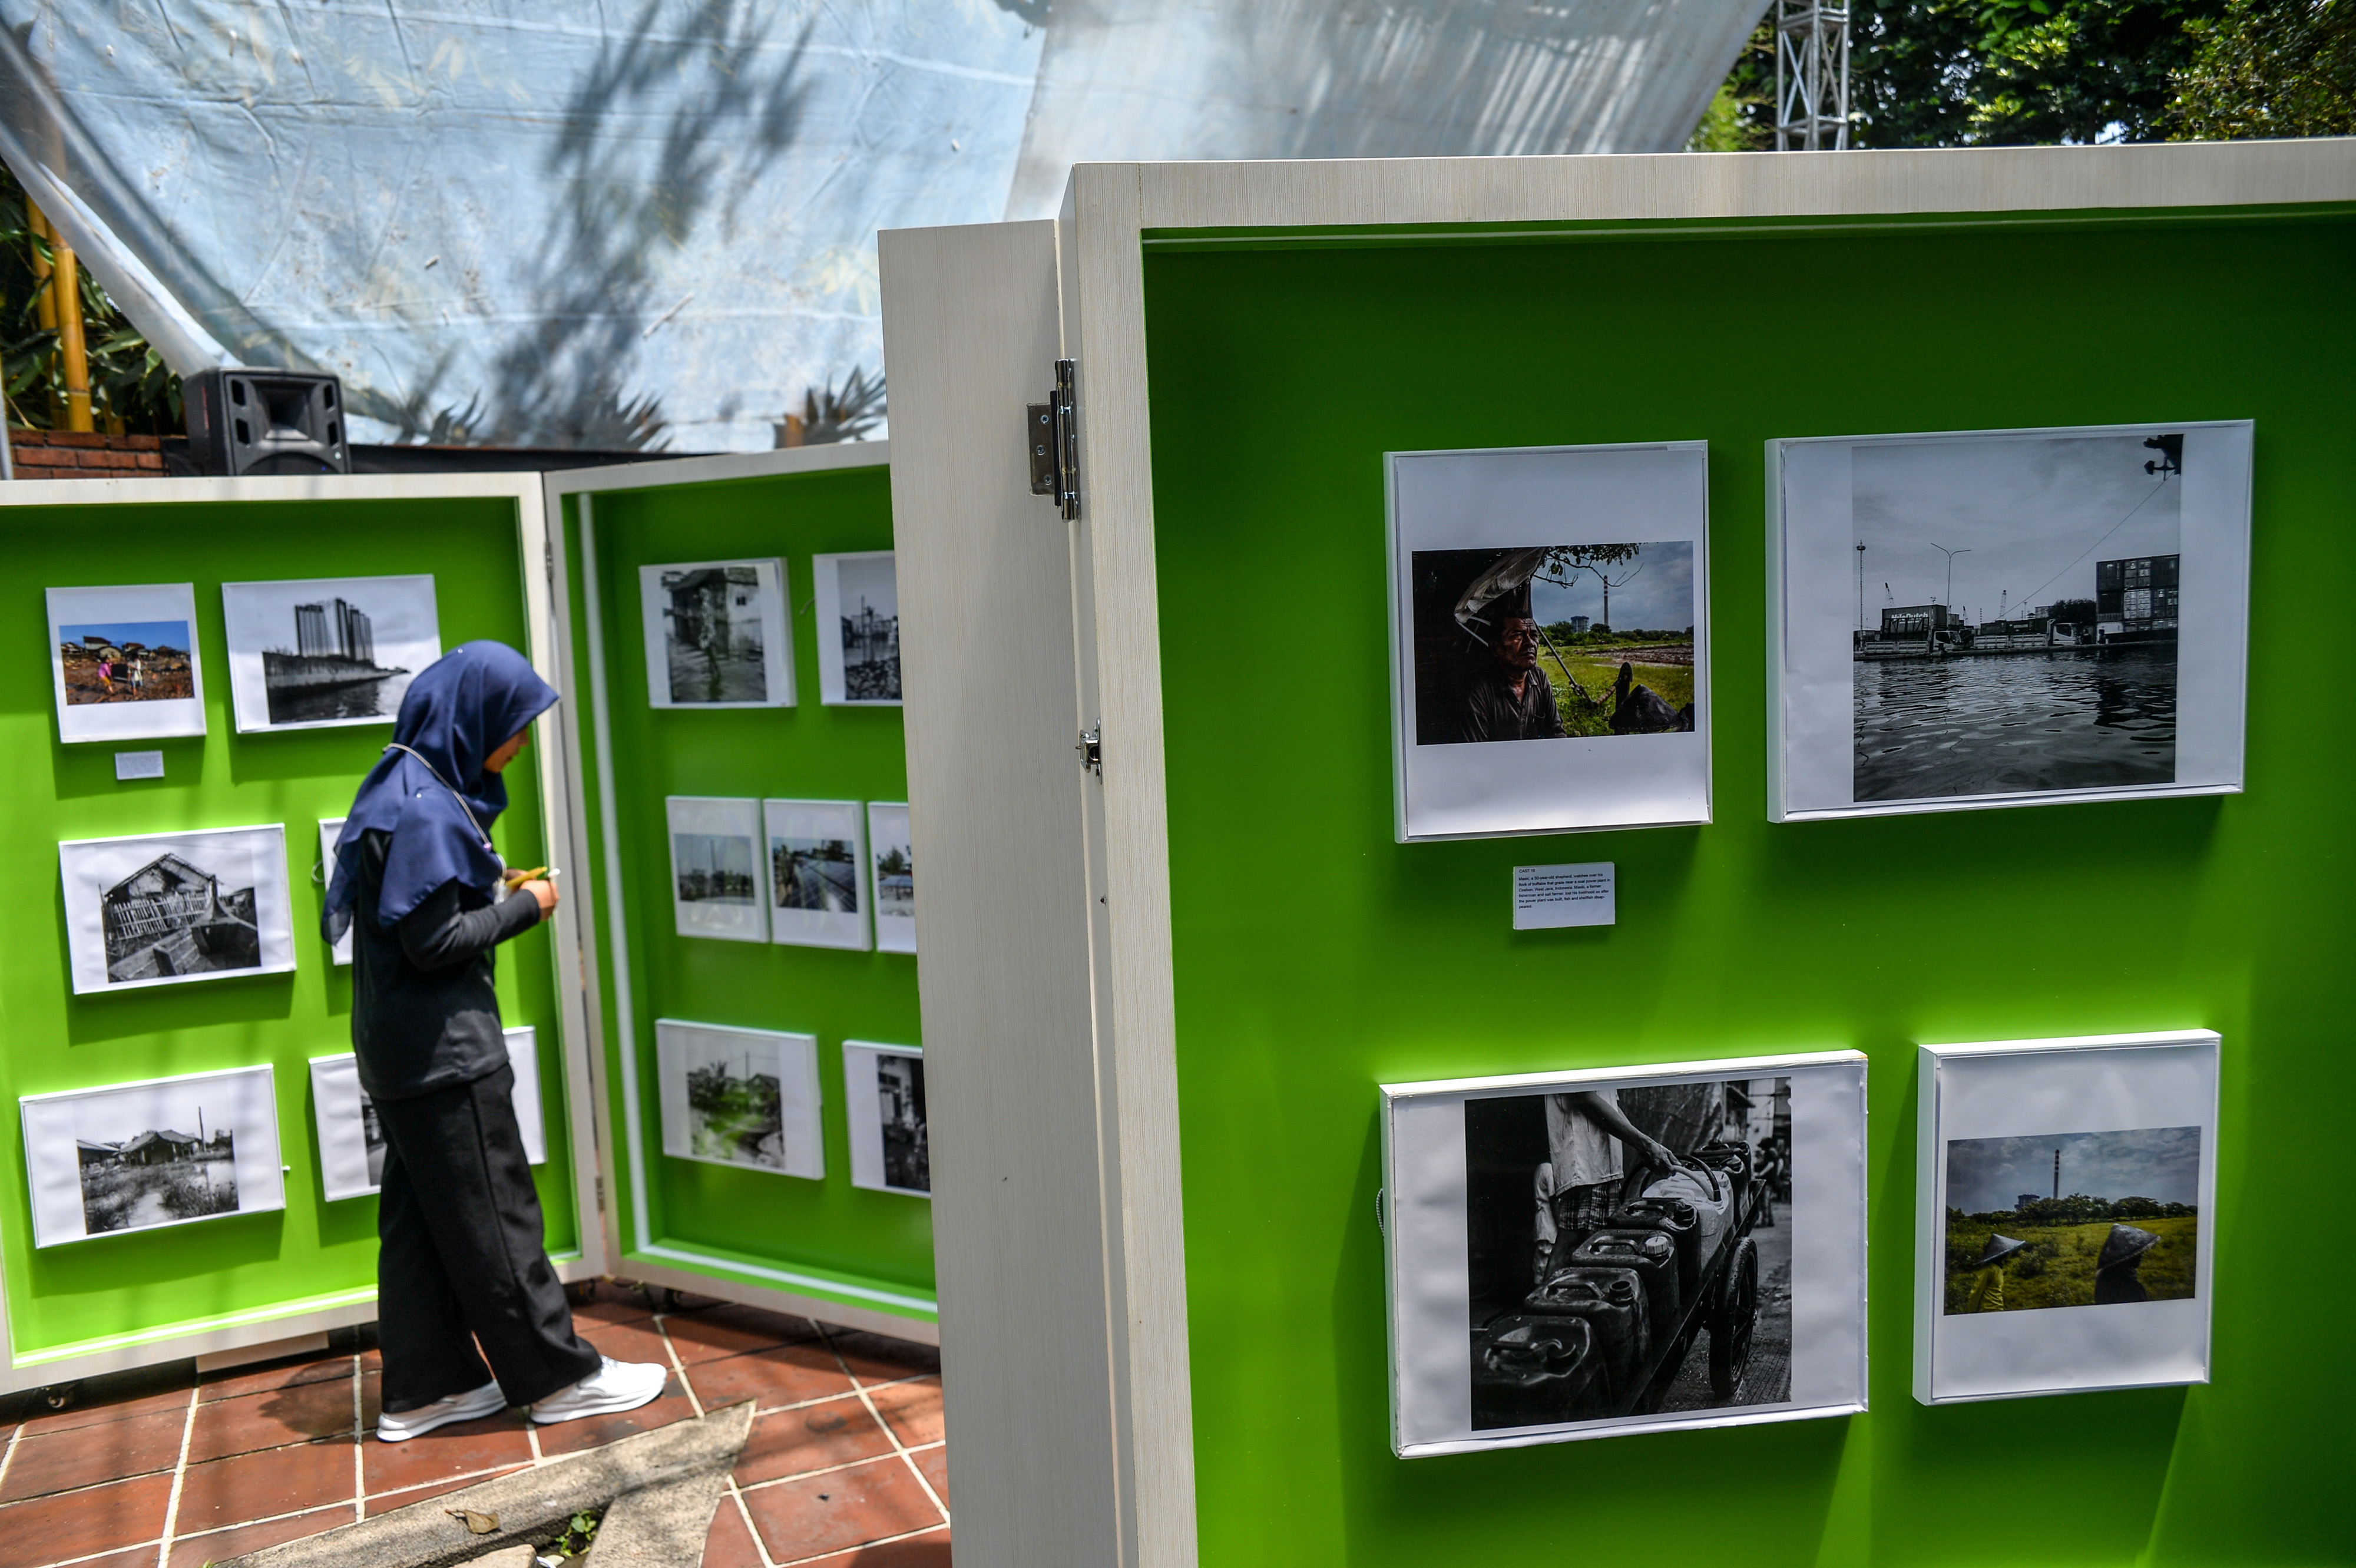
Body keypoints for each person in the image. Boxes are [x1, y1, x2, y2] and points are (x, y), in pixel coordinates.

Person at [325, 641, 667, 1442]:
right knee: (496, 1216)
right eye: (512, 725)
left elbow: (414, 914)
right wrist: (533, 904)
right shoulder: (425, 807)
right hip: (446, 1056)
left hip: (400, 1050)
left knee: (419, 1227)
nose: (517, 742)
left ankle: (429, 1386)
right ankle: (558, 1378)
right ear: (471, 716)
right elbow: (434, 942)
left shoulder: (402, 780)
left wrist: (488, 884)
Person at [1531, 1090, 1685, 1279]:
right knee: (1572, 1245)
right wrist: (1645, 1144)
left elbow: (1611, 1107)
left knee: (1594, 1247)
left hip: (1603, 1164)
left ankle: (1581, 1305)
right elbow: (1584, 1095)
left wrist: (1645, 1145)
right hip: (1585, 1161)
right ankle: (1546, 1305)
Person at [1450, 606, 1566, 743]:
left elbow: (1557, 732)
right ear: (1495, 648)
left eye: (1534, 636)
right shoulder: (1478, 691)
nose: (1530, 643)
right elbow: (1477, 754)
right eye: (1517, 636)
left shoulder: (1539, 677)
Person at [2093, 1223, 2160, 1305]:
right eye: (2136, 1254)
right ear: (2125, 1255)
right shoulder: (2129, 1284)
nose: (2141, 1257)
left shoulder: (2104, 1272)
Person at [1961, 1233, 2029, 1312]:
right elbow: (1976, 1292)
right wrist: (1971, 1313)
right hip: (1986, 1310)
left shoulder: (1998, 1268)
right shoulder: (1988, 1269)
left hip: (1997, 1309)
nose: (2007, 1255)